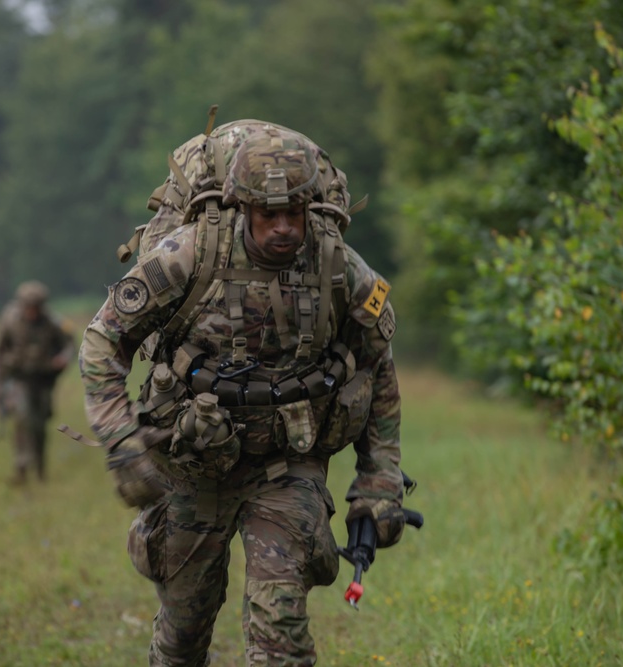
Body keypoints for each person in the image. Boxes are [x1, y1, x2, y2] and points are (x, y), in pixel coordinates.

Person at [80, 123, 407, 666]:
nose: (283, 228)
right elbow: (102, 341)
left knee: (281, 629)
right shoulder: (187, 255)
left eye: (294, 214)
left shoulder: (337, 266)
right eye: (267, 215)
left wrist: (380, 480)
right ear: (240, 207)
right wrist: (121, 441)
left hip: (288, 465)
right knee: (184, 634)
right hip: (193, 463)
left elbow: (376, 365)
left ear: (311, 208)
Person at [0, 281, 74, 484]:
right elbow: (0, 352)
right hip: (19, 379)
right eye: (28, 307)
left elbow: (70, 344)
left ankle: (40, 468)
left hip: (44, 381)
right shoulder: (10, 320)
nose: (32, 312)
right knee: (23, 419)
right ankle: (21, 468)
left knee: (39, 426)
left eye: (36, 307)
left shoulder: (53, 322)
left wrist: (63, 359)